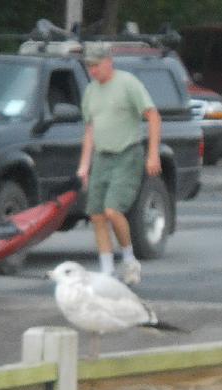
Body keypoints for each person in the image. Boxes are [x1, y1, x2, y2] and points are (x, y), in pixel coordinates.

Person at [76, 43, 162, 286]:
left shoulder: (128, 83)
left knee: (113, 210)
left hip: (127, 153)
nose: (92, 70)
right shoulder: (91, 91)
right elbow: (90, 129)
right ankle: (106, 270)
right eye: (89, 66)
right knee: (96, 214)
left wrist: (153, 154)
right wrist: (84, 166)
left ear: (108, 62)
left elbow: (153, 116)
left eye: (96, 65)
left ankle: (129, 258)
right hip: (102, 157)